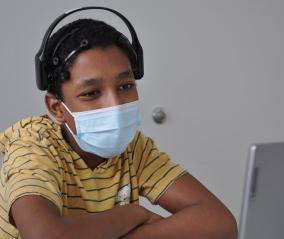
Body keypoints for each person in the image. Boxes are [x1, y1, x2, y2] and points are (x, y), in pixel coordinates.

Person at [0, 8, 237, 239]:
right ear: (57, 107)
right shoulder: (33, 145)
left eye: (125, 86)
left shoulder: (134, 149)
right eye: (91, 93)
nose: (114, 105)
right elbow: (44, 235)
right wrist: (133, 214)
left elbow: (220, 224)